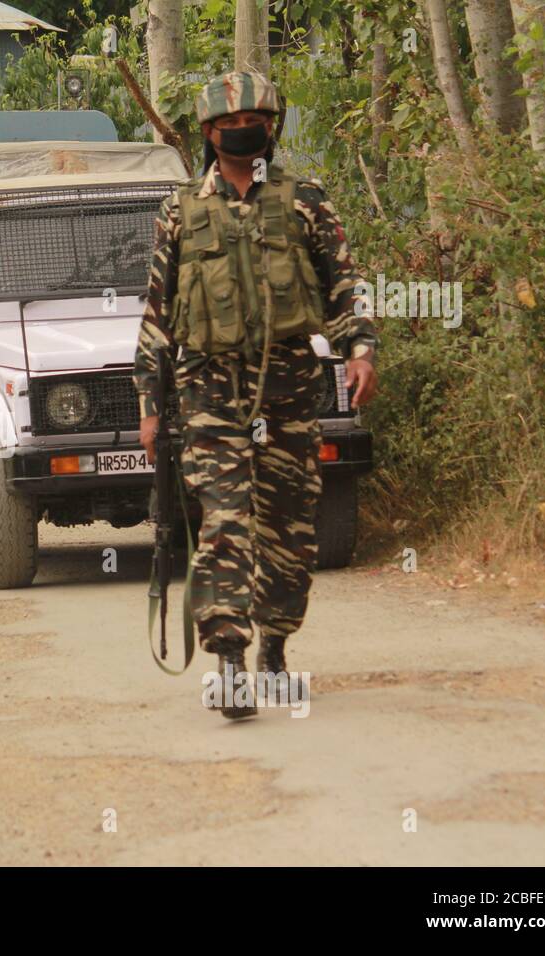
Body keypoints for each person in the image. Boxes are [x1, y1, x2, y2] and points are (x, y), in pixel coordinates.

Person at [133, 73, 379, 718]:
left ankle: (275, 645)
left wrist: (359, 350)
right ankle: (229, 660)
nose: (249, 128)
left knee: (290, 528)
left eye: (260, 118)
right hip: (209, 386)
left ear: (273, 127)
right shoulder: (180, 210)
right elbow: (157, 313)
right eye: (234, 120)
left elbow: (344, 285)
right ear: (211, 133)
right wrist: (150, 404)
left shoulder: (305, 201)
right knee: (224, 520)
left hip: (292, 385)